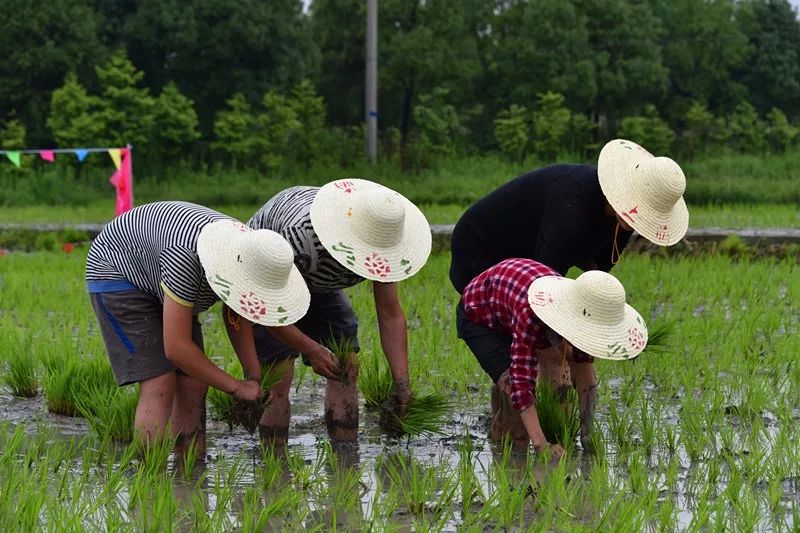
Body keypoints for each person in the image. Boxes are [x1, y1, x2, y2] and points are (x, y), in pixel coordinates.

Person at [86, 201, 310, 453]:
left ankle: (189, 473)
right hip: (120, 273)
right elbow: (176, 348)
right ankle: (149, 478)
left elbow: (235, 314)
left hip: (163, 275)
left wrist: (253, 376)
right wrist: (235, 387)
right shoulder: (187, 258)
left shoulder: (247, 254)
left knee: (193, 382)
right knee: (160, 383)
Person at [239, 179, 432, 443]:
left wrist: (403, 384)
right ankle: (275, 464)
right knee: (279, 376)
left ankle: (345, 459)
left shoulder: (382, 242)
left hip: (317, 277)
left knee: (346, 365)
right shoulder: (300, 238)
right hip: (264, 274)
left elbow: (390, 314)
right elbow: (266, 307)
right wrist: (312, 349)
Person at [456, 258, 648, 458]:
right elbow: (521, 386)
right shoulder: (531, 316)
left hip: (508, 303)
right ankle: (505, 457)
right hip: (479, 314)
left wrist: (587, 435)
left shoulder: (587, 314)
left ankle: (501, 419)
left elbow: (585, 376)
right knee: (513, 398)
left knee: (513, 388)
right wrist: (542, 445)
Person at [449, 138, 690, 293]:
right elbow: (544, 283)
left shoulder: (621, 219)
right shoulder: (571, 207)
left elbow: (598, 267)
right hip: (482, 249)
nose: (639, 219)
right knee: (532, 334)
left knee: (571, 341)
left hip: (532, 250)